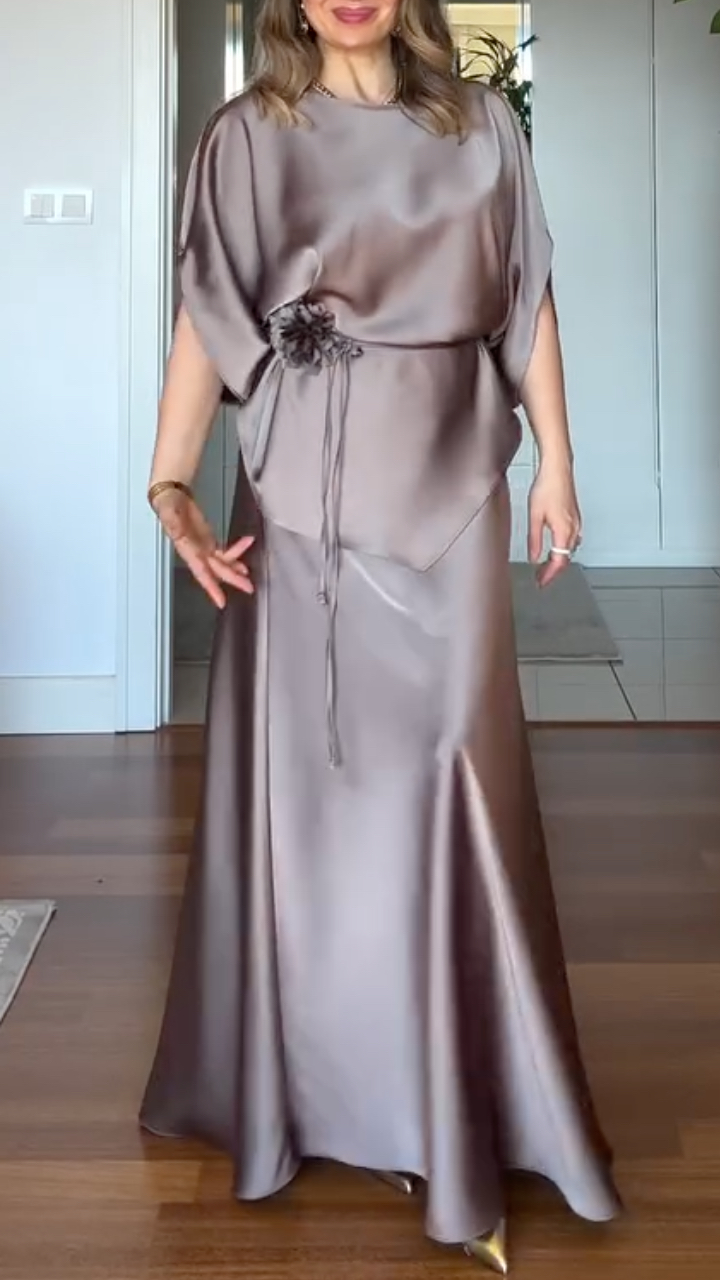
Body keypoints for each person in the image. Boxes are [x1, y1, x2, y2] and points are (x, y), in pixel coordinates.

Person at [140, 0, 622, 1270]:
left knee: (457, 770)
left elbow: (526, 298)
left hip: (452, 478)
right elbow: (207, 313)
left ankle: (457, 1108)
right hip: (303, 496)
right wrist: (169, 480)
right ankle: (322, 1089)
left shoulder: (483, 127)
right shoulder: (246, 134)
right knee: (315, 800)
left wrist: (559, 462)